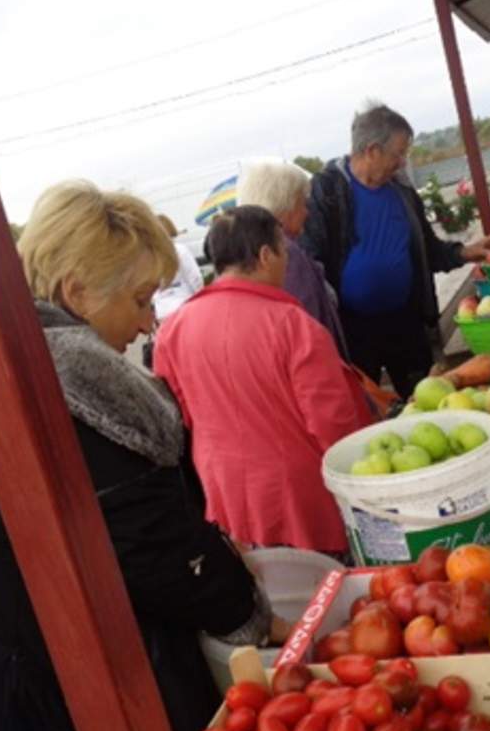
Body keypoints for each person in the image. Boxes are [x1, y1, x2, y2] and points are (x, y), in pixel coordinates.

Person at [0, 181, 286, 731]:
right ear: (79, 292)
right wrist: (253, 613)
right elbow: (154, 546)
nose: (148, 326)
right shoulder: (71, 388)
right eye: (142, 299)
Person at [154, 205, 372, 558]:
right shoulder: (294, 326)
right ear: (266, 255)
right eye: (284, 250)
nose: (287, 262)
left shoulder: (172, 331)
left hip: (227, 494)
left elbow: (183, 416)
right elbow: (333, 426)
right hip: (301, 500)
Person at [303, 103, 490, 397]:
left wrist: (468, 251)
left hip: (406, 322)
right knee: (367, 410)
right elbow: (310, 266)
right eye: (398, 153)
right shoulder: (326, 192)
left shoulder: (400, 190)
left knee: (427, 397)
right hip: (353, 332)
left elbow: (427, 248)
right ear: (372, 150)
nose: (402, 162)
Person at [237, 159, 349, 357]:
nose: (307, 212)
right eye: (302, 203)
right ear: (283, 207)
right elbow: (308, 326)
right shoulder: (285, 255)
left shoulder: (246, 252)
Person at [152, 214, 205, 321]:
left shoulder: (150, 256)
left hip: (162, 311)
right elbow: (195, 278)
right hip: (184, 305)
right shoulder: (180, 250)